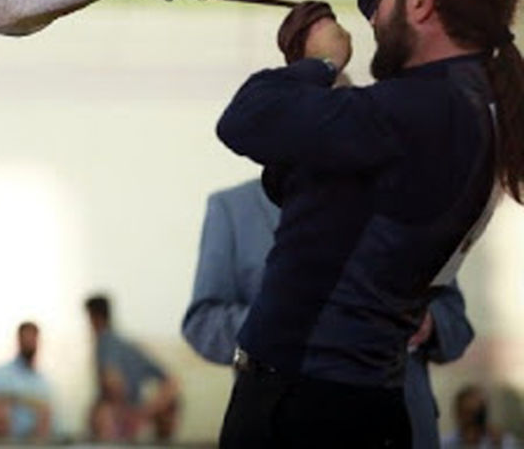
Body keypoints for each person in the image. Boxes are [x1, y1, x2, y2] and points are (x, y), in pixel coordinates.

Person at [155, 0, 523, 448]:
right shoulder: (470, 96)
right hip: (353, 403)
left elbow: (249, 119)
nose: (373, 10)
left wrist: (318, 64)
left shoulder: (417, 112)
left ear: (423, 3)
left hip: (307, 414)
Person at [182, 178, 475, 449]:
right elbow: (202, 323)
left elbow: (457, 324)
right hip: (282, 426)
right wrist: (287, 322)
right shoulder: (233, 209)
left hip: (404, 424)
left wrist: (429, 323)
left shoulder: (411, 204)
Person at [84, 294, 180, 443]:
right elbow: (172, 382)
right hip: (133, 421)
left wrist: (124, 413)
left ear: (93, 317)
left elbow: (113, 382)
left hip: (118, 420)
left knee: (102, 414)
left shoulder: (104, 342)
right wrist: (145, 412)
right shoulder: (129, 346)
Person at [442, 384, 520, 449]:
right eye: (467, 413)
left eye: (476, 414)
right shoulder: (445, 444)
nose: (471, 420)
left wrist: (498, 445)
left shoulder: (501, 440)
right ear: (458, 413)